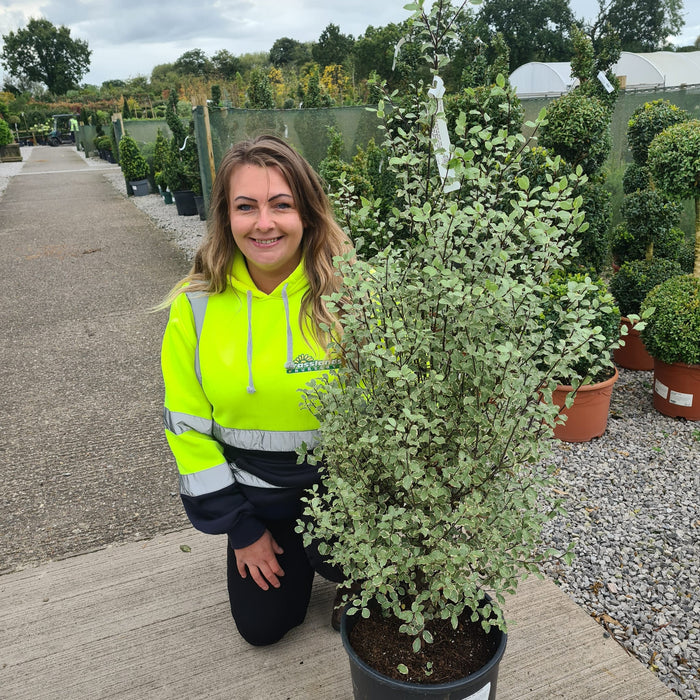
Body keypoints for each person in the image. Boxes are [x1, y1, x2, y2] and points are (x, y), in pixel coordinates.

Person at [160, 135, 352, 646]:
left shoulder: (355, 296)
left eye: (281, 205)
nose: (263, 223)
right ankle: (286, 551)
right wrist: (240, 529)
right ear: (226, 218)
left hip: (345, 494)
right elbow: (188, 431)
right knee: (262, 628)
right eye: (246, 207)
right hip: (257, 497)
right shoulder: (195, 308)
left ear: (308, 214)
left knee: (341, 559)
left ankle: (351, 572)